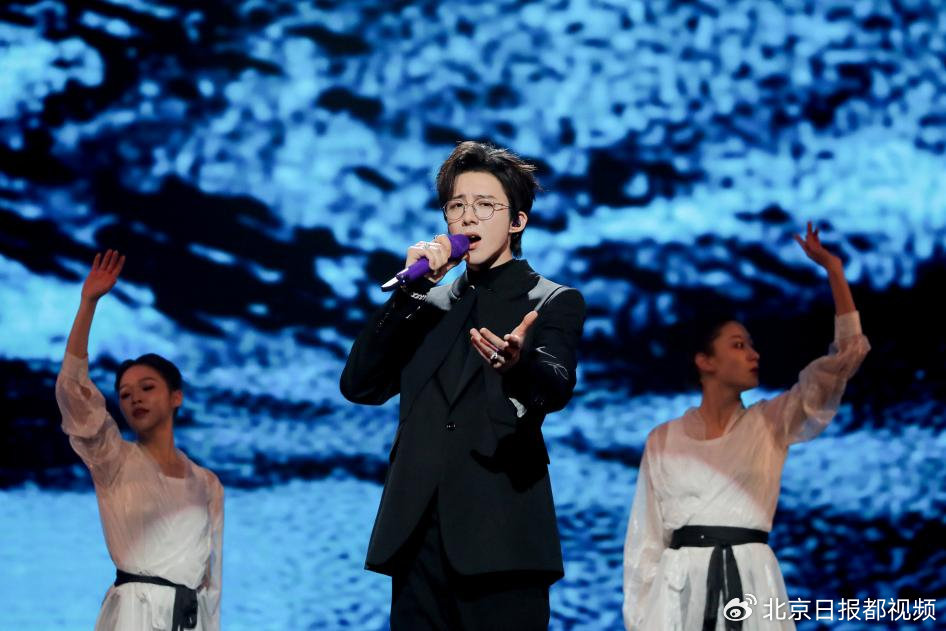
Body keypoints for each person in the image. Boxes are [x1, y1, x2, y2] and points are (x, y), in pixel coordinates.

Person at [341, 141, 585, 630]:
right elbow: (360, 385)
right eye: (456, 206)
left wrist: (516, 366)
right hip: (416, 539)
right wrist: (409, 291)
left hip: (502, 537)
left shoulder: (551, 300)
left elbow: (555, 387)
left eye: (485, 205)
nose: (468, 217)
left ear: (517, 221)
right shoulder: (424, 304)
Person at [622, 223, 870, 631]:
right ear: (705, 361)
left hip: (752, 580)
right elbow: (644, 545)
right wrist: (640, 621)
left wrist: (835, 272)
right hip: (679, 592)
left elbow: (846, 358)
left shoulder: (771, 422)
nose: (754, 354)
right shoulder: (665, 440)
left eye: (752, 345)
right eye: (738, 345)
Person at [55, 250, 224, 631]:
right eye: (126, 394)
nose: (135, 398)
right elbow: (74, 393)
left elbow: (211, 584)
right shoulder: (113, 459)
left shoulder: (207, 483)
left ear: (175, 397)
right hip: (133, 615)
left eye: (147, 387)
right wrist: (88, 304)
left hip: (187, 620)